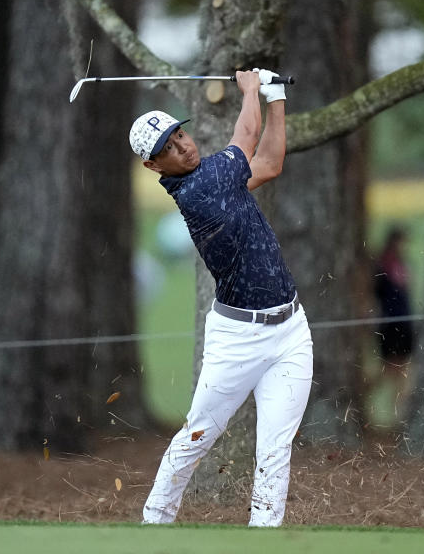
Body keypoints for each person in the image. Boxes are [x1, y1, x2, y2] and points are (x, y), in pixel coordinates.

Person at [131, 69, 312, 527]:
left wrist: (275, 99)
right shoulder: (201, 189)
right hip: (237, 339)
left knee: (275, 447)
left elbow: (269, 162)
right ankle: (155, 520)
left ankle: (264, 532)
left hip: (291, 329)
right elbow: (246, 134)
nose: (183, 147)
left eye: (180, 135)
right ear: (154, 167)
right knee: (197, 435)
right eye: (167, 150)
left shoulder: (219, 178)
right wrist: (251, 88)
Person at [372, 226, 415, 418]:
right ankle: (393, 412)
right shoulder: (382, 267)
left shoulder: (400, 265)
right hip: (390, 325)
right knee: (390, 371)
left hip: (404, 323)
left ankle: (398, 414)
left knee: (401, 372)